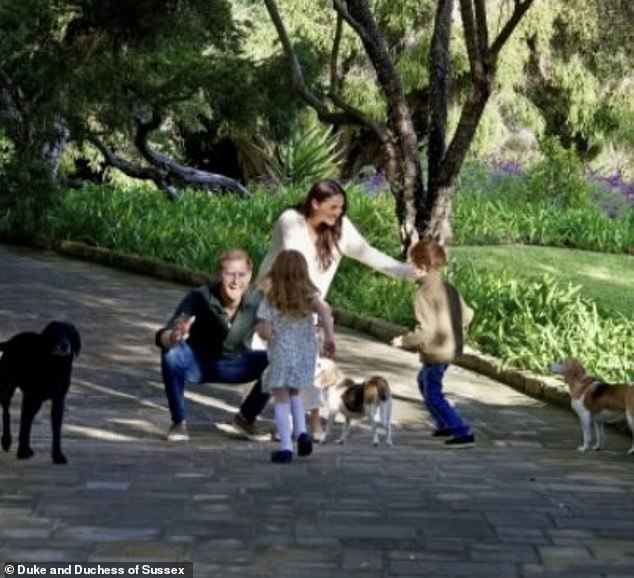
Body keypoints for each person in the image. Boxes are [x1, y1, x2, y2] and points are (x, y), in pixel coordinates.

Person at [257, 178, 417, 440]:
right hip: (276, 301)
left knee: (307, 366)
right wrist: (318, 306)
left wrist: (409, 272)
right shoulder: (290, 221)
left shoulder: (340, 229)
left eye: (341, 207)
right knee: (276, 366)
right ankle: (275, 423)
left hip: (309, 308)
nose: (338, 213)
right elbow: (298, 267)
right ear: (314, 202)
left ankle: (303, 427)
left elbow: (369, 254)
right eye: (333, 207)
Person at [156, 248, 270, 441]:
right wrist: (175, 336)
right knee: (171, 354)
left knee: (277, 360)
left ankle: (246, 418)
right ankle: (178, 422)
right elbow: (162, 336)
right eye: (229, 274)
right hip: (198, 363)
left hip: (235, 363)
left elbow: (274, 329)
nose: (235, 281)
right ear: (219, 274)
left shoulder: (257, 299)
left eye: (241, 275)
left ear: (250, 276)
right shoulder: (200, 296)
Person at [391, 239, 475, 446]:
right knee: (424, 382)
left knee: (433, 392)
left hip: (436, 352)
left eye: (412, 264)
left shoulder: (423, 294)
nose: (410, 268)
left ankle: (461, 430)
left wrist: (404, 340)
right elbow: (468, 315)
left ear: (423, 267)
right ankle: (443, 424)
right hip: (451, 348)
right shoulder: (449, 288)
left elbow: (425, 331)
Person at [255, 250, 336, 463]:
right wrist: (329, 337)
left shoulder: (271, 300)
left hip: (282, 354)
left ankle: (285, 446)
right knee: (295, 392)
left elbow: (264, 331)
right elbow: (326, 313)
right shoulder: (309, 297)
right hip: (305, 354)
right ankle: (301, 433)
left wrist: (266, 333)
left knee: (281, 398)